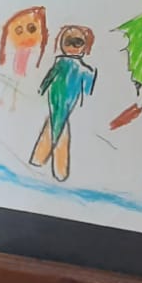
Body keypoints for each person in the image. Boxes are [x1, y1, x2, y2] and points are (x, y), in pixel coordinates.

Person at [30, 25, 96, 182]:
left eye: (77, 42)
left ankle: (41, 160)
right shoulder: (61, 63)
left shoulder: (84, 70)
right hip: (56, 100)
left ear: (84, 46)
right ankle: (57, 169)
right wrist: (42, 89)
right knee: (58, 129)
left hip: (66, 103)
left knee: (55, 127)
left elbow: (87, 92)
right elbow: (49, 77)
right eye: (69, 42)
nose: (73, 46)